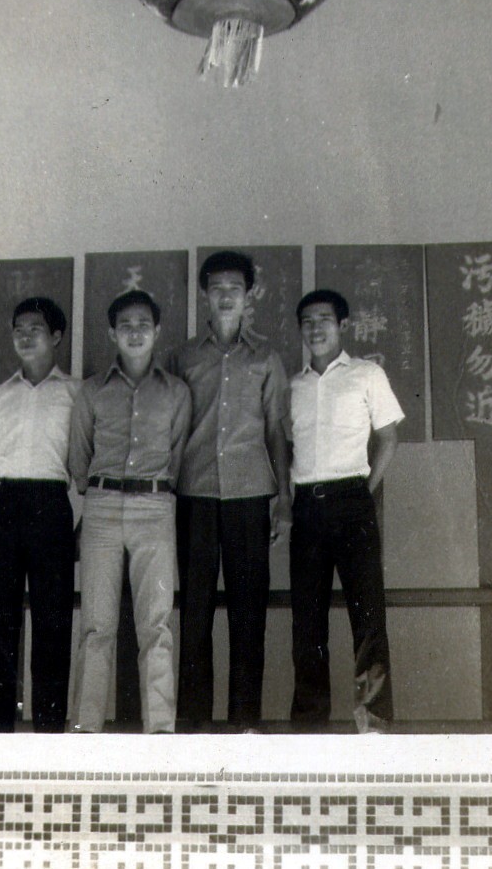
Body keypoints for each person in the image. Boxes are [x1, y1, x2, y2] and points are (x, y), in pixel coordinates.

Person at [167, 250, 291, 732]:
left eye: (234, 289)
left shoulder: (266, 358)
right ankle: (195, 725)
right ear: (204, 294)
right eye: (216, 288)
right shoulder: (183, 357)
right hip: (194, 493)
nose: (225, 297)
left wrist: (283, 498)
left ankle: (245, 723)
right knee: (194, 613)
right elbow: (171, 428)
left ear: (248, 295)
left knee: (248, 612)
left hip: (250, 494)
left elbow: (276, 431)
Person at [68, 289, 191, 733]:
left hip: (155, 508)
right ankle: (86, 727)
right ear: (112, 333)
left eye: (143, 324)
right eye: (125, 325)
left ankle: (159, 729)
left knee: (156, 623)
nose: (134, 333)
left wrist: (151, 492)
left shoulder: (176, 393)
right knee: (96, 624)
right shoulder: (92, 391)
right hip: (101, 508)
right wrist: (100, 493)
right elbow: (79, 457)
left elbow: (178, 453)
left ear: (157, 331)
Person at [288, 289, 404, 733]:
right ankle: (309, 725)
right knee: (307, 622)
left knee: (368, 617)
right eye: (307, 321)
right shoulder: (293, 386)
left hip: (352, 501)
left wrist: (363, 491)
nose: (315, 328)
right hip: (306, 507)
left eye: (324, 319)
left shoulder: (366, 375)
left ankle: (373, 724)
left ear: (342, 325)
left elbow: (388, 438)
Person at [0, 296, 81, 733]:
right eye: (19, 330)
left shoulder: (75, 394)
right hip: (5, 507)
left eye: (36, 329)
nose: (26, 337)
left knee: (53, 620)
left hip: (51, 506)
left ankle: (49, 731)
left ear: (56, 336)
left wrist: (84, 521)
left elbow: (84, 464)